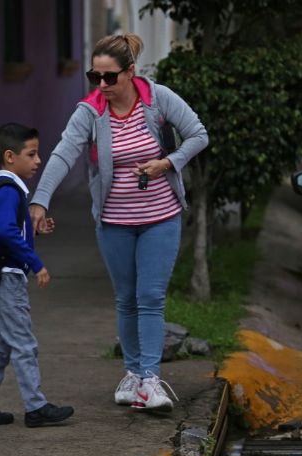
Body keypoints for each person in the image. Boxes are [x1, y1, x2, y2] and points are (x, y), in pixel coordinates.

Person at [29, 33, 208, 412]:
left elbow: (197, 135)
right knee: (126, 299)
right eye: (96, 77)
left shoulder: (158, 99)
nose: (102, 85)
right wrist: (40, 200)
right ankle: (131, 375)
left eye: (110, 77)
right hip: (113, 221)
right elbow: (63, 154)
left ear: (130, 72)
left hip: (161, 217)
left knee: (151, 298)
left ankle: (149, 379)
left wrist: (168, 162)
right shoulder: (90, 111)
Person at [0, 123, 75, 428]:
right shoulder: (10, 191)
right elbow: (6, 231)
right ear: (10, 157)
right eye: (32, 154)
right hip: (8, 279)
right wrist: (35, 262)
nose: (38, 161)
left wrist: (35, 230)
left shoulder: (4, 190)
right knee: (24, 344)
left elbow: (9, 230)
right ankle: (36, 407)